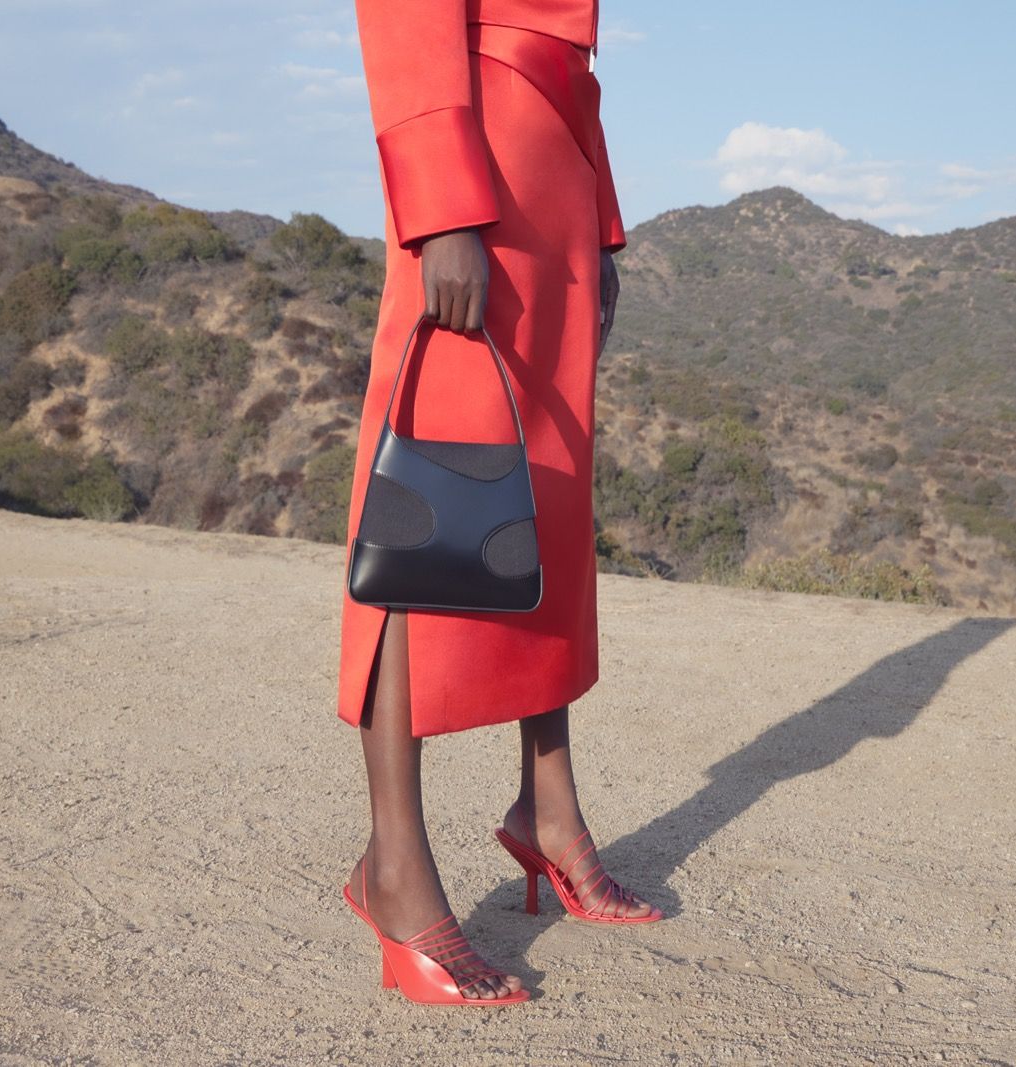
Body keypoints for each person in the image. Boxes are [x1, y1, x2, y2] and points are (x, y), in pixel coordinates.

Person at [337, 0, 659, 1007]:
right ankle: (394, 865)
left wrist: (599, 223)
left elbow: (569, 52)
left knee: (539, 501)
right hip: (474, 169)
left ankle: (547, 810)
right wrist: (442, 208)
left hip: (553, 166)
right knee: (427, 505)